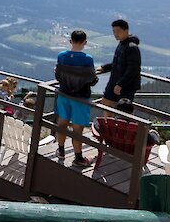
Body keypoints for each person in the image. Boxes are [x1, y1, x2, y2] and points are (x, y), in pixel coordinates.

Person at [54, 30, 98, 167]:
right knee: (77, 129)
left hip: (64, 95)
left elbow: (57, 75)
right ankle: (78, 158)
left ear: (70, 41)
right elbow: (92, 79)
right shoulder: (87, 59)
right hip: (80, 98)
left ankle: (61, 150)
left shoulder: (61, 56)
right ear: (85, 42)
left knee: (62, 124)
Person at [98, 19, 141, 112]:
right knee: (106, 104)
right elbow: (118, 62)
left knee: (122, 110)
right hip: (115, 81)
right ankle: (107, 125)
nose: (116, 34)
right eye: (114, 31)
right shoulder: (122, 43)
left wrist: (120, 84)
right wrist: (104, 67)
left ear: (126, 31)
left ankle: (115, 125)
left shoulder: (131, 47)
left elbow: (133, 69)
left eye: (118, 31)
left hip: (125, 86)